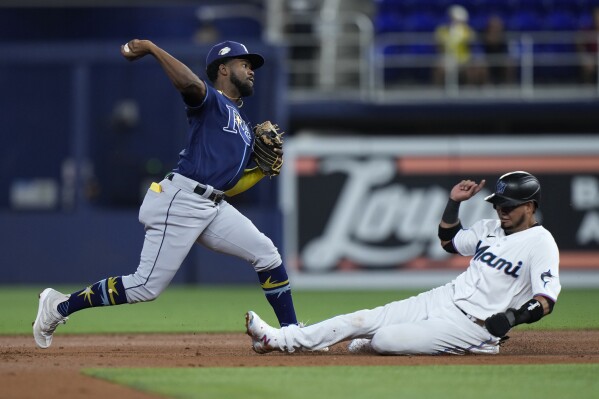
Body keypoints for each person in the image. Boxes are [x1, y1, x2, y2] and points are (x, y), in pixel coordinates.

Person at [33, 39, 299, 349]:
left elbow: (228, 184)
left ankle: (292, 331)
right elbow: (189, 84)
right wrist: (150, 47)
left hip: (213, 204)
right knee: (145, 286)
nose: (251, 70)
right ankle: (59, 306)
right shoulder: (211, 100)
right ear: (223, 69)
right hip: (182, 199)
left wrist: (259, 172)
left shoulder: (242, 125)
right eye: (244, 64)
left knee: (267, 254)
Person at [245, 171, 561, 355]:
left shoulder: (541, 242)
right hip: (444, 297)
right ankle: (280, 339)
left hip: (473, 325)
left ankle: (479, 346)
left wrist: (510, 318)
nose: (501, 209)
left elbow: (545, 300)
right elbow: (449, 241)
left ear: (530, 206)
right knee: (362, 319)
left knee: (384, 339)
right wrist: (454, 203)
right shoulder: (489, 228)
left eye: (509, 205)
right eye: (498, 203)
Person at [433, 4, 486, 86]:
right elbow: (438, 43)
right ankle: (437, 89)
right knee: (439, 68)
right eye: (453, 19)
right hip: (447, 59)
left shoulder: (467, 30)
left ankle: (471, 88)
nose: (455, 22)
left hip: (464, 59)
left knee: (474, 67)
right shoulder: (442, 30)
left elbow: (473, 40)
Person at [480, 15, 516, 85]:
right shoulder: (484, 37)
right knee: (481, 64)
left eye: (498, 27)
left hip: (501, 60)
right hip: (487, 60)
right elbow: (481, 51)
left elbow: (508, 52)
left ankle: (508, 84)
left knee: (510, 63)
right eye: (494, 27)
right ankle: (486, 84)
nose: (495, 29)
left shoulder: (504, 38)